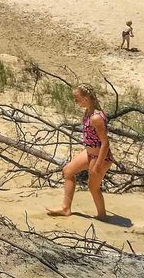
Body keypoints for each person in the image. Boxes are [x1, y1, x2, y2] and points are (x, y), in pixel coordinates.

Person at [46, 84, 113, 219]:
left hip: (100, 157)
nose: (75, 101)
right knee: (68, 171)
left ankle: (102, 216)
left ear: (86, 98)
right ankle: (66, 208)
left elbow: (105, 143)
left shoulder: (96, 118)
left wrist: (98, 164)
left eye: (77, 98)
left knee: (93, 187)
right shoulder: (88, 112)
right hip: (89, 153)